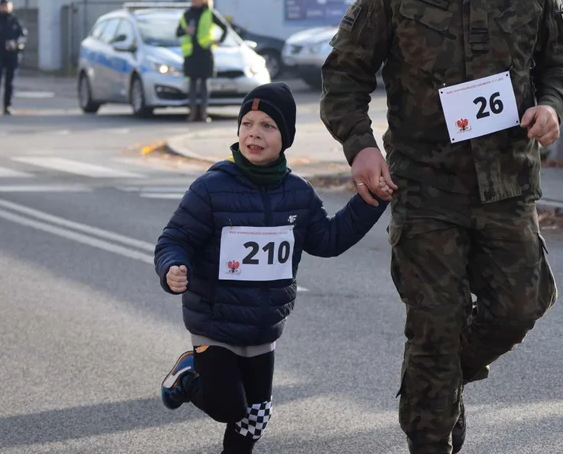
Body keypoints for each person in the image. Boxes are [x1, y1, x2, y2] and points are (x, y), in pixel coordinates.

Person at [319, 0, 563, 454]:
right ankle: (430, 430)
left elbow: (559, 64)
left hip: (506, 182)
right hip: (425, 185)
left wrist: (552, 106)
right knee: (434, 323)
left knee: (521, 306)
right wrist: (360, 148)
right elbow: (344, 75)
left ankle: (437, 385)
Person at [154, 82, 390, 454]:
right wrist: (173, 267)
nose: (254, 133)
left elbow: (327, 240)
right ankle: (186, 377)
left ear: (286, 137)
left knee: (253, 421)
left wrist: (370, 202)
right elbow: (174, 239)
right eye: (247, 123)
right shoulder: (211, 189)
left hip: (263, 326)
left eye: (267, 125)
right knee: (228, 406)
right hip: (215, 323)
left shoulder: (297, 192)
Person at [177, 0, 229, 122]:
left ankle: (204, 113)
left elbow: (225, 27)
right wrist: (185, 30)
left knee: (204, 84)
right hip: (191, 54)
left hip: (205, 53)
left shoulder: (209, 13)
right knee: (192, 85)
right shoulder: (187, 14)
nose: (193, 0)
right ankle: (192, 113)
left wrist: (219, 40)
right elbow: (178, 32)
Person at [0, 0, 27, 116]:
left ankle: (8, 106)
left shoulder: (16, 20)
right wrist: (4, 44)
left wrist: (16, 43)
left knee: (10, 82)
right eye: (3, 6)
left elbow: (23, 36)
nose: (5, 8)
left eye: (7, 5)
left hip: (13, 55)